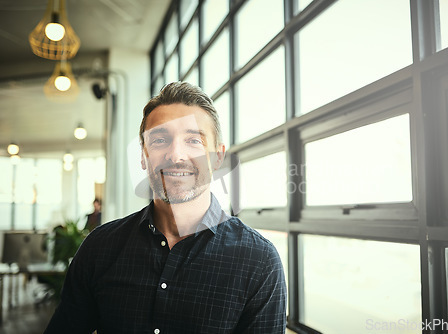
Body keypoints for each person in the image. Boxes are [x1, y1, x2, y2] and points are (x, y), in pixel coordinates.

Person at [44, 82, 287, 333]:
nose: (176, 155)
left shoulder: (259, 261)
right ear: (143, 156)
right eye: (160, 139)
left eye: (193, 140)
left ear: (217, 157)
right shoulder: (99, 248)